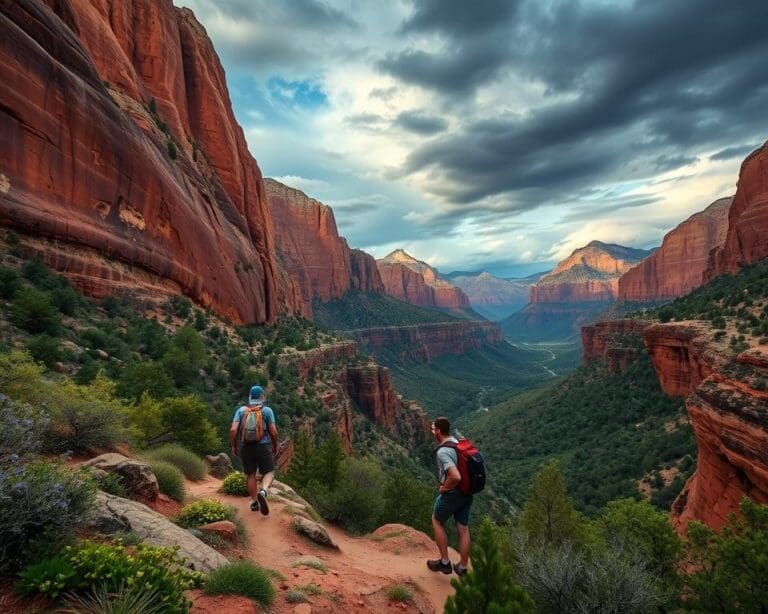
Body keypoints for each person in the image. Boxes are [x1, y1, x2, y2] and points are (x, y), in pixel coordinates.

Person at [427, 416, 472, 576]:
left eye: (433, 429)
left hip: (453, 493)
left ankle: (445, 563)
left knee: (436, 520)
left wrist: (444, 488)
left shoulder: (443, 451)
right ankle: (462, 567)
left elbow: (455, 476)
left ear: (439, 431)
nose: (432, 431)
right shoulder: (455, 442)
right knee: (463, 528)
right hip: (467, 492)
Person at [229, 385, 279, 515]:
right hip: (263, 446)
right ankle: (263, 491)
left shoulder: (241, 410)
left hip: (246, 447)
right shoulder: (267, 411)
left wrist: (234, 446)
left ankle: (255, 502)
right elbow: (273, 432)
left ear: (250, 396)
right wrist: (275, 445)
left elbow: (233, 430)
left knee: (251, 474)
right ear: (262, 397)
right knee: (269, 472)